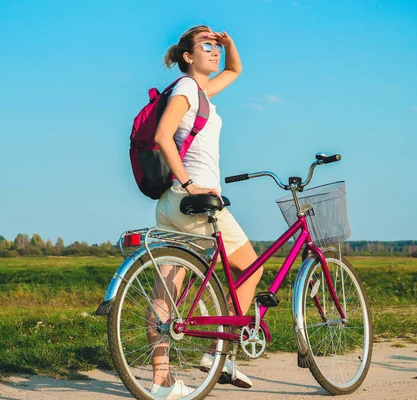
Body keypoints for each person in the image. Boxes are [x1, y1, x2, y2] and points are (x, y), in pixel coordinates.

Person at [145, 25, 263, 399]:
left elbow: (234, 71)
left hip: (171, 205)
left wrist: (230, 44)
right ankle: (221, 353)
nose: (213, 51)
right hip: (195, 203)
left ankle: (160, 382)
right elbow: (163, 136)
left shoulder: (198, 91)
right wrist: (191, 184)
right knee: (251, 266)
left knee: (167, 292)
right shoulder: (185, 90)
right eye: (206, 46)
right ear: (187, 57)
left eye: (215, 46)